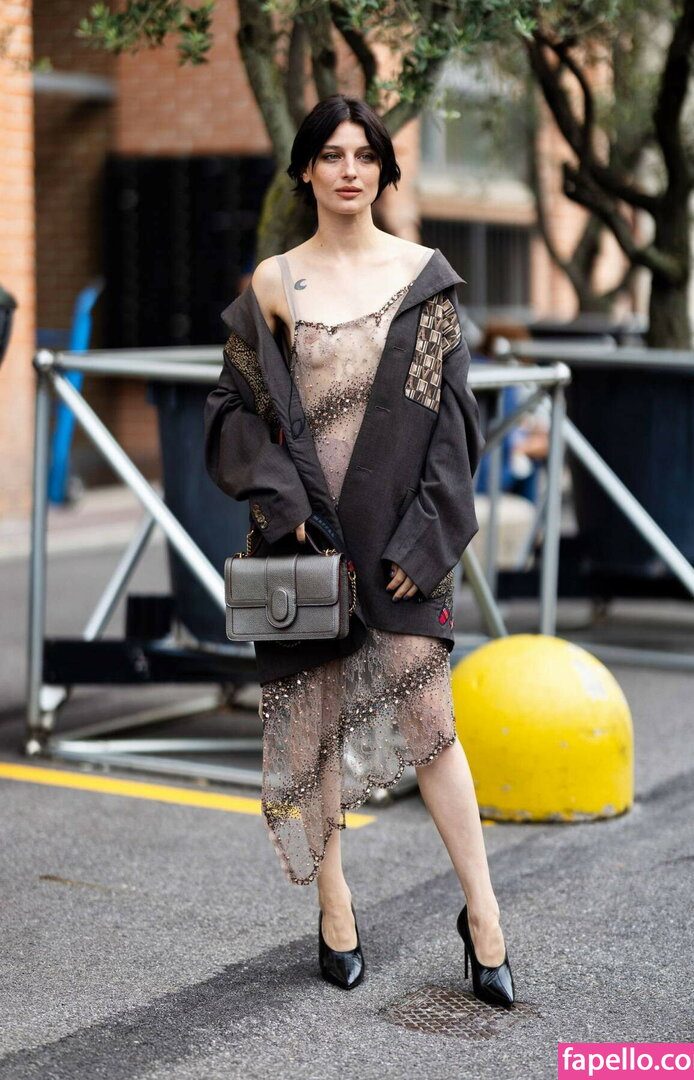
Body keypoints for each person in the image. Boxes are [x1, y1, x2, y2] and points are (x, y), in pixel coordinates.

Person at [204, 94, 514, 1005]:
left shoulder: (423, 280)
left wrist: (427, 538)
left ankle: (485, 915)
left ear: (384, 169)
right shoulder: (275, 283)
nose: (349, 170)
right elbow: (230, 412)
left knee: (433, 727)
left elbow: (455, 427)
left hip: (402, 541)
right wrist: (285, 501)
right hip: (306, 545)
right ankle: (335, 906)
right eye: (332, 155)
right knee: (312, 726)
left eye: (365, 155)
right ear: (305, 170)